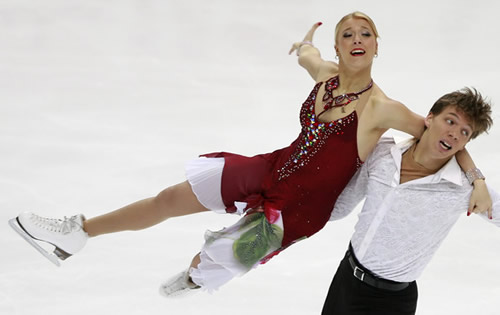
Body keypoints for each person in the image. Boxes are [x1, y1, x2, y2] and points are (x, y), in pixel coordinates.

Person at [8, 12, 490, 297]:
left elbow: (444, 136)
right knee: (168, 198)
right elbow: (308, 57)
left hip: (299, 209)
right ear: (339, 46)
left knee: (214, 260)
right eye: (347, 33)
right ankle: (76, 233)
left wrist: (478, 177)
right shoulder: (324, 75)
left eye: (366, 33)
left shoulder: (384, 108)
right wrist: (304, 45)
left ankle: (197, 275)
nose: (357, 39)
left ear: (377, 46)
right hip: (272, 167)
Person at [321, 87, 496, 314]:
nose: (454, 134)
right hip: (346, 280)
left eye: (464, 132)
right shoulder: (383, 151)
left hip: (393, 303)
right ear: (430, 118)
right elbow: (342, 205)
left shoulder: (462, 187)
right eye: (450, 122)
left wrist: (478, 181)